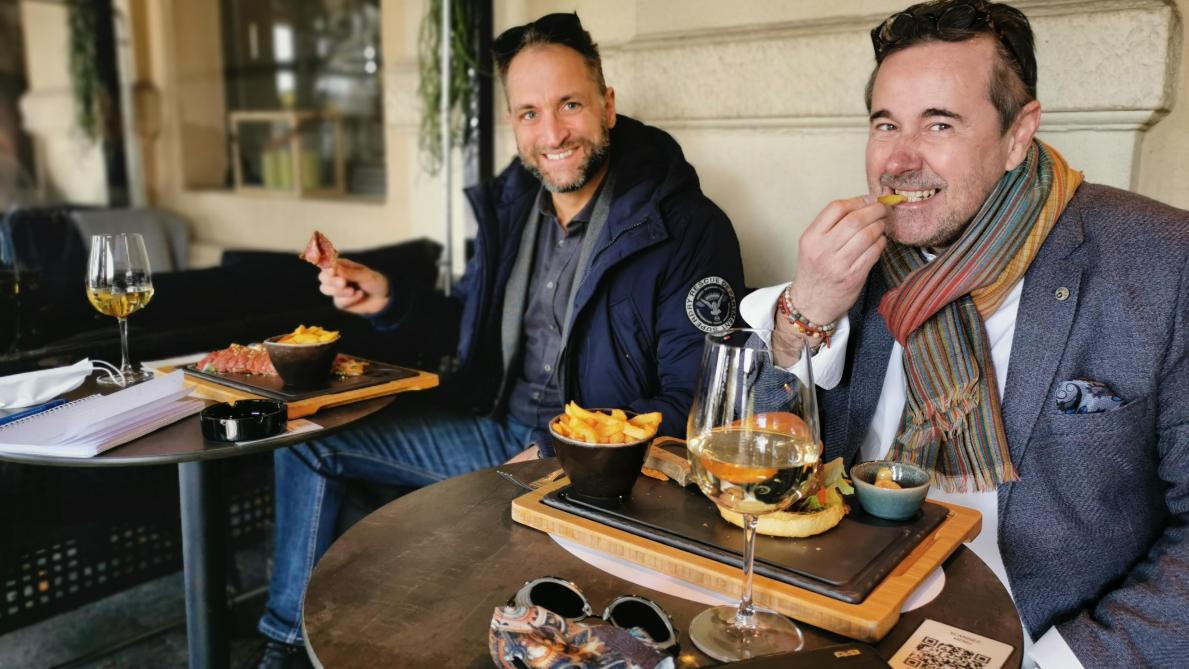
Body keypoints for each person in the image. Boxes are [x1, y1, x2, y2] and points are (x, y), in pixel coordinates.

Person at [251, 12, 745, 668]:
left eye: (570, 105)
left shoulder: (686, 227)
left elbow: (699, 403)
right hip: (491, 434)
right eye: (530, 113)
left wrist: (552, 449)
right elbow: (468, 325)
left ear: (607, 105)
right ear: (513, 123)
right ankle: (285, 643)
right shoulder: (514, 208)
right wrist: (388, 296)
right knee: (306, 441)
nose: (552, 133)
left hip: (586, 472)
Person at [740, 1, 1188, 666]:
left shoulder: (1164, 262)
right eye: (885, 124)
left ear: (1018, 135)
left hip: (1040, 644)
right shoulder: (853, 263)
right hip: (840, 616)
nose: (898, 159)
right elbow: (754, 472)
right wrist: (802, 315)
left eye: (939, 124)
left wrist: (1059, 662)